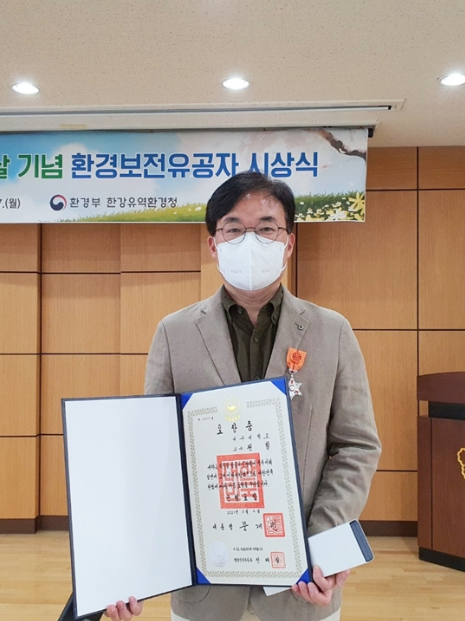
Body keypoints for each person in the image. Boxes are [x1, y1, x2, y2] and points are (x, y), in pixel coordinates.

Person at [105, 171, 381, 621]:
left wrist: (322, 542)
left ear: (289, 243)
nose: (250, 240)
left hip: (301, 582)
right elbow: (155, 456)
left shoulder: (331, 332)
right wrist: (135, 566)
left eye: (267, 228)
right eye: (233, 228)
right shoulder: (174, 333)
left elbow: (357, 445)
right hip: (205, 585)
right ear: (213, 245)